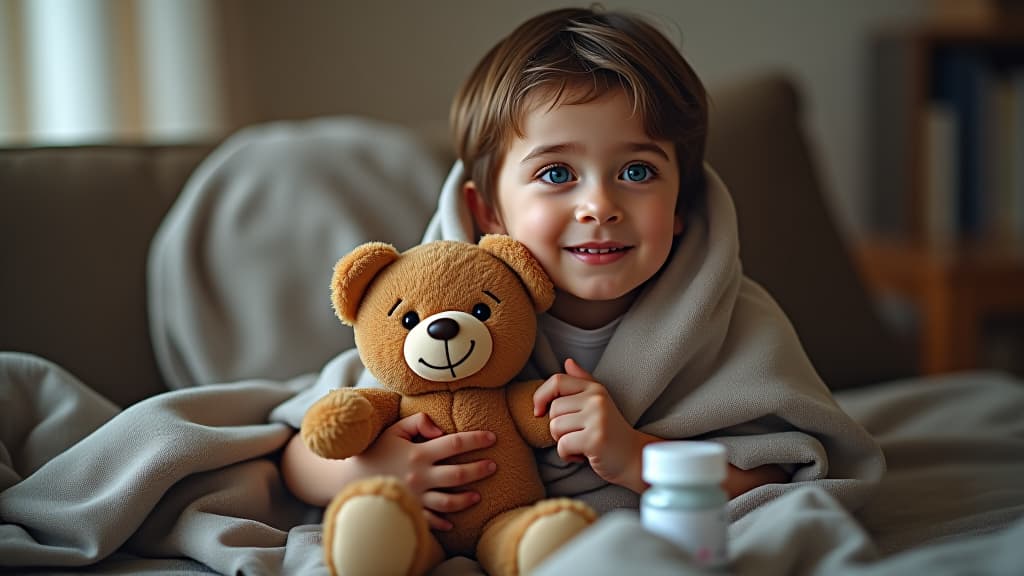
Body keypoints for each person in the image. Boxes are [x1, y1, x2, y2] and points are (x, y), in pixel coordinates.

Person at [282, 6, 882, 534]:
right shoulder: (431, 314)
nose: (600, 205)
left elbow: (782, 475)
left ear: (682, 205)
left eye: (638, 172)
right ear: (486, 211)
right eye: (556, 173)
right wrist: (371, 468)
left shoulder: (731, 320)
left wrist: (634, 455)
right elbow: (301, 452)